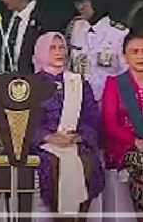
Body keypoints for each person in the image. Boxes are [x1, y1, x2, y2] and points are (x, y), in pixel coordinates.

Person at [31, 32, 104, 217]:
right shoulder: (30, 85)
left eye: (61, 47)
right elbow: (26, 123)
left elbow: (92, 119)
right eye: (52, 48)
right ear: (41, 52)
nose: (59, 52)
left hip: (75, 142)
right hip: (45, 146)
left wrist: (78, 136)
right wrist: (49, 137)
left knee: (87, 163)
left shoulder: (79, 83)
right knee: (52, 164)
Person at [68, 0, 129, 101]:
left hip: (107, 104)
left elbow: (127, 76)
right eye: (77, 2)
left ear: (98, 1)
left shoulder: (119, 34)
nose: (79, 7)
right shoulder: (75, 28)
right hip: (76, 102)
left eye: (84, 2)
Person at [102, 31, 143, 214]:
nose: (140, 56)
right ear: (125, 56)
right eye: (134, 52)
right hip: (125, 147)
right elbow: (110, 123)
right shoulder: (116, 84)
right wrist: (136, 142)